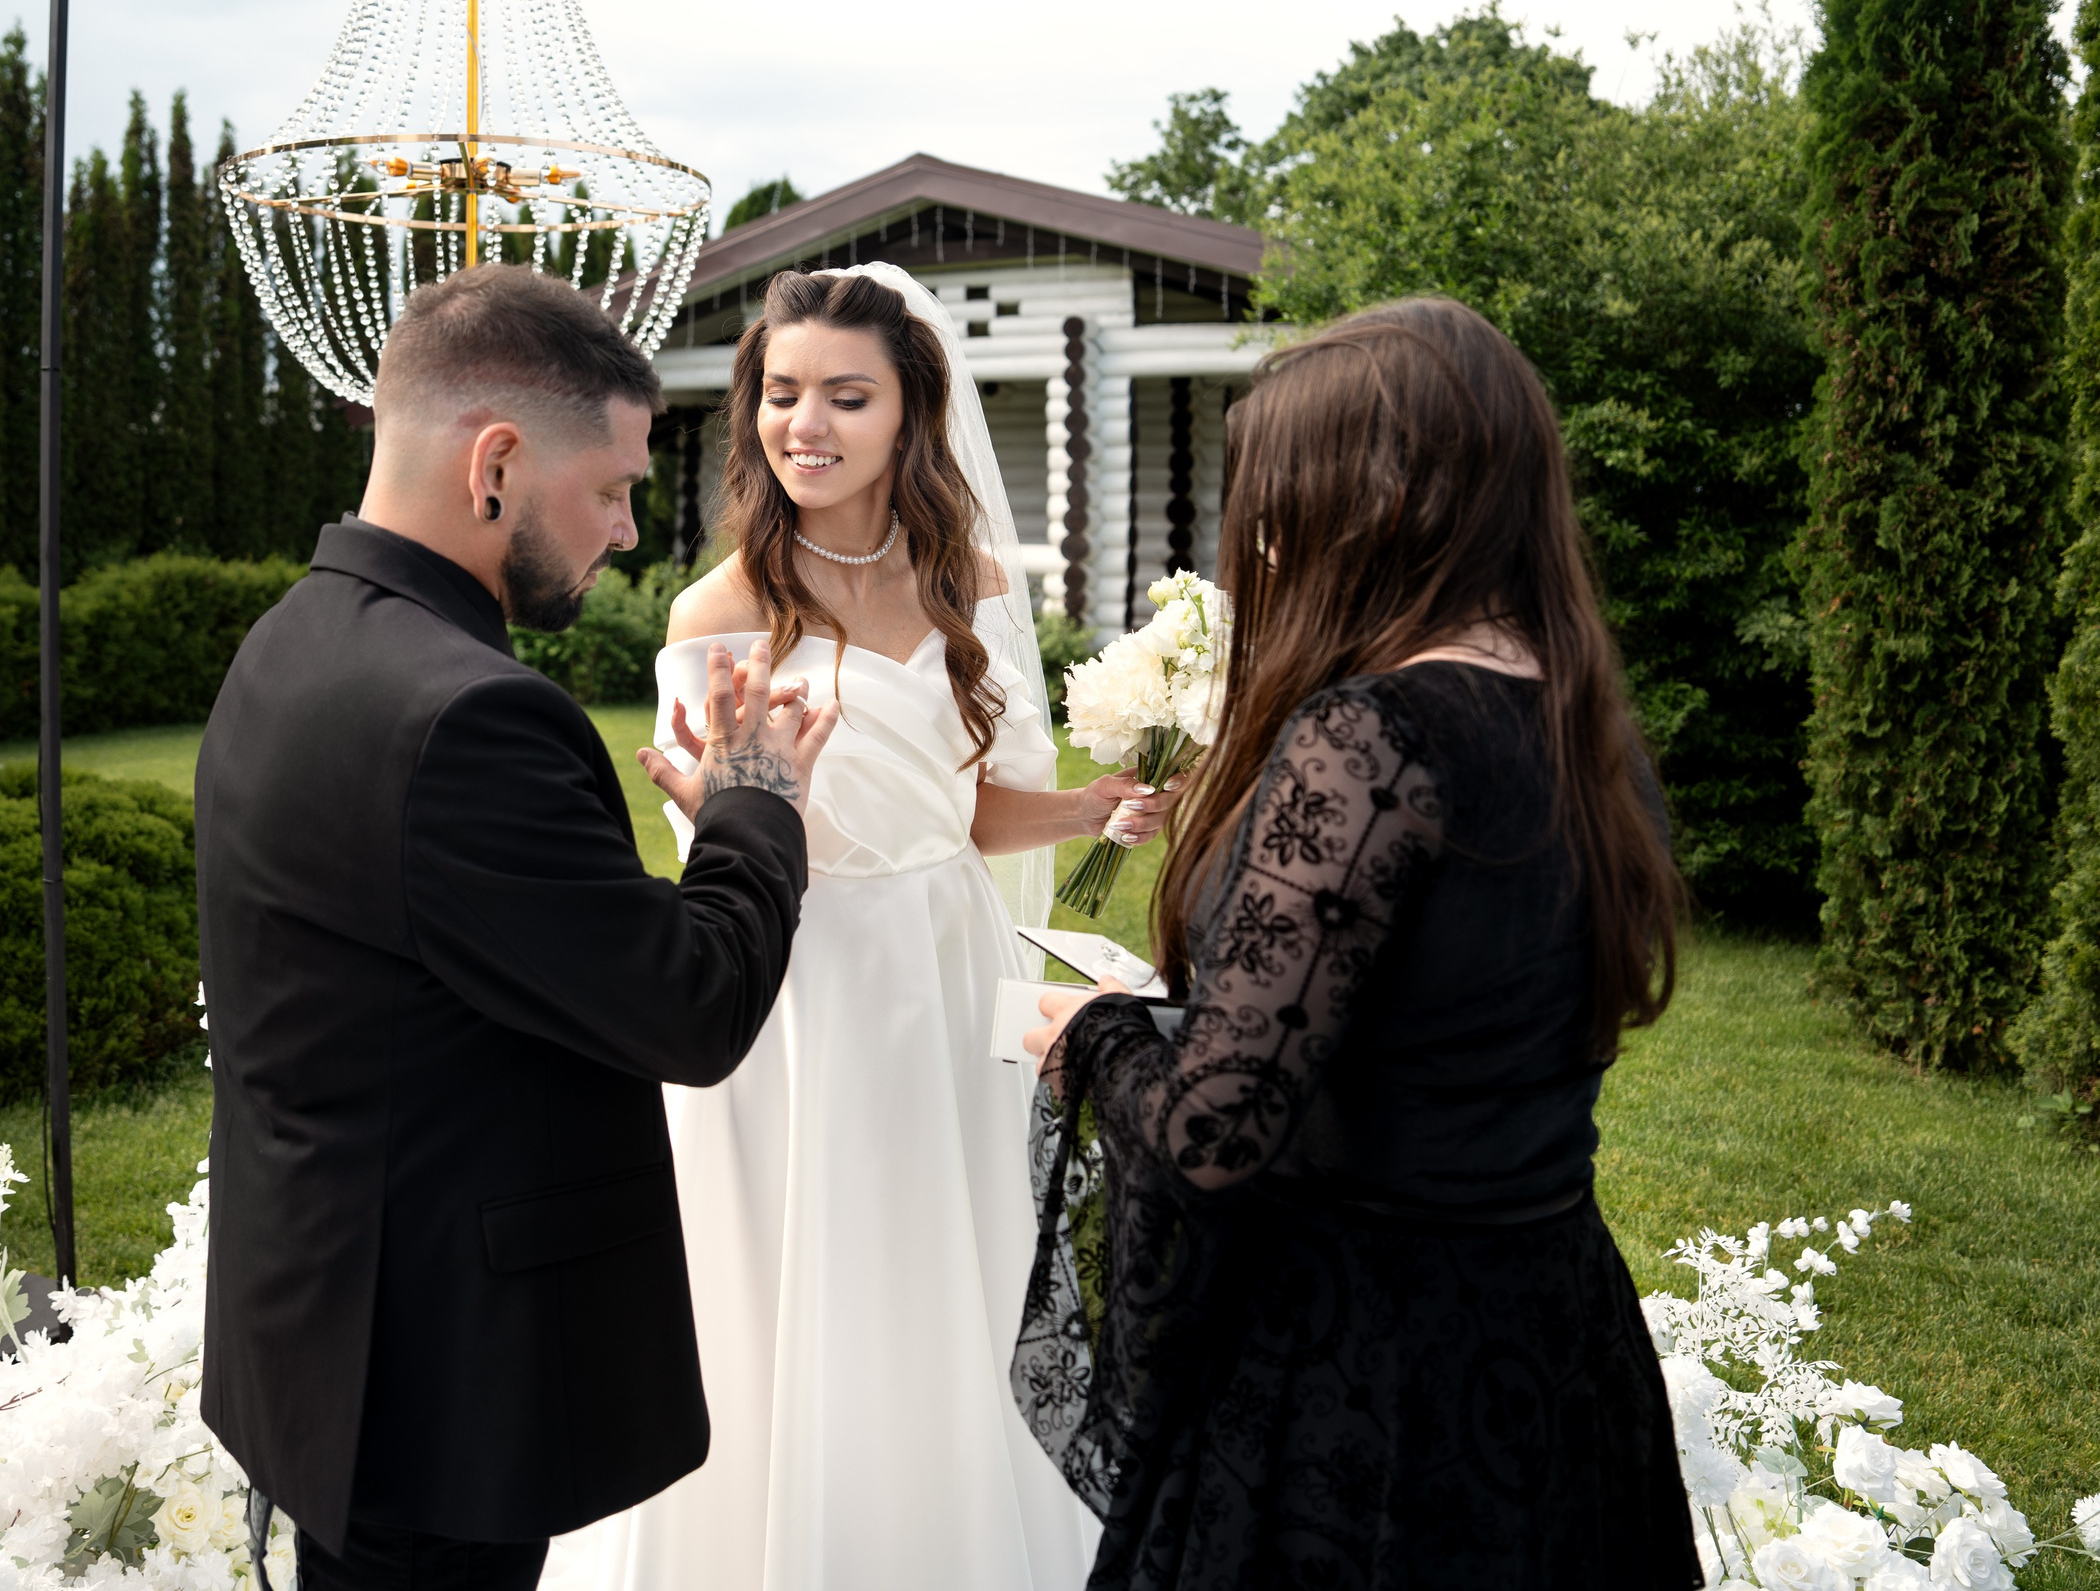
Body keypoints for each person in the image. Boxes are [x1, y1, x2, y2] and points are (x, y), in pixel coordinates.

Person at [1016, 298, 1703, 1591]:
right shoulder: (1586, 721)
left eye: (1283, 507)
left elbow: (1217, 1131)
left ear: (1381, 503)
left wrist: (1096, 1036)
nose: (1269, 542)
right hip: (1555, 1330)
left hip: (1364, 1366)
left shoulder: (1372, 736)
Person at [196, 266, 839, 1591]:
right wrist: (755, 803)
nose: (625, 531)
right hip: (440, 1382)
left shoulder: (292, 637)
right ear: (494, 466)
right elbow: (690, 1004)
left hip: (332, 1329)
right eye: (610, 489)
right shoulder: (470, 718)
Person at [542, 264, 1169, 1591]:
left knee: (950, 1274)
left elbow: (960, 813)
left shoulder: (969, 581)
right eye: (780, 393)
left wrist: (1087, 809)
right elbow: (715, 836)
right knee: (788, 1283)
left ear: (909, 412)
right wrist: (742, 802)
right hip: (791, 987)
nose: (804, 424)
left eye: (845, 395)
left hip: (945, 969)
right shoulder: (719, 610)